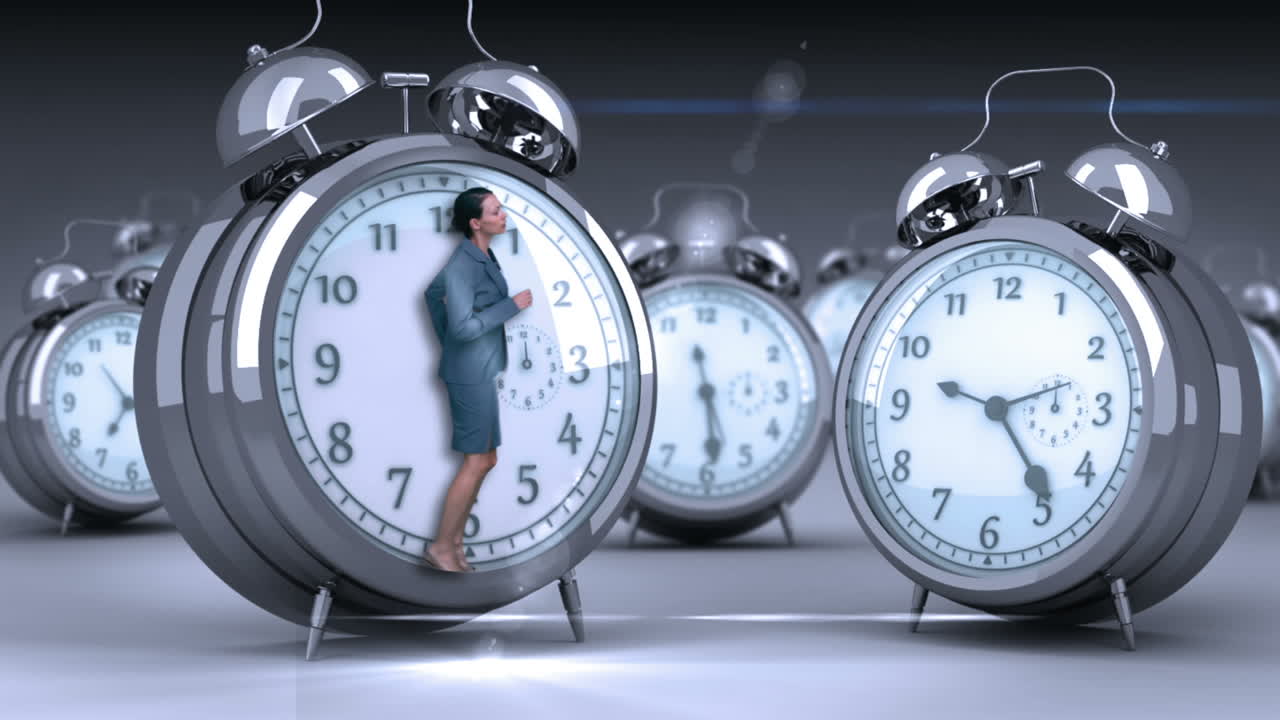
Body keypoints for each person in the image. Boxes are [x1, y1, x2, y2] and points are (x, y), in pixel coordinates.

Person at [423, 187, 533, 572]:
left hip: (480, 369)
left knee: (486, 459)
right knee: (476, 461)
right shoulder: (464, 264)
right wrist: (510, 307)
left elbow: (432, 294)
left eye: (501, 209)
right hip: (469, 374)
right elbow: (464, 327)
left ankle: (454, 543)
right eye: (495, 211)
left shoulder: (482, 256)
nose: (503, 216)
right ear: (475, 222)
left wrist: (448, 341)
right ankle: (441, 547)